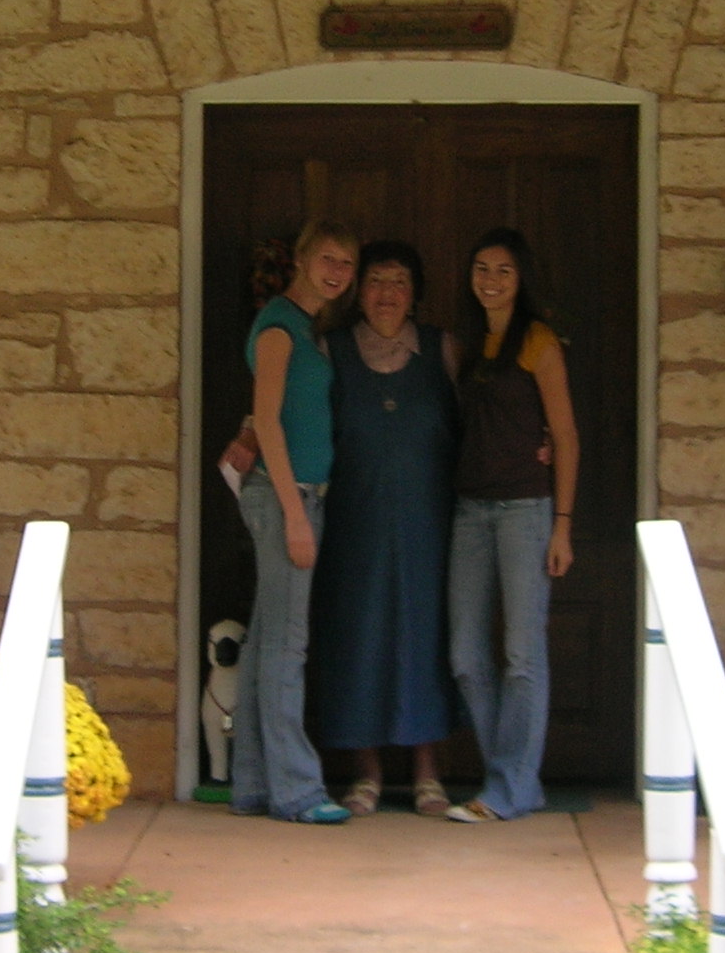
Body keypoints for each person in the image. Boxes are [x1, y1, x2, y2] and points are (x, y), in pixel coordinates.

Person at [312, 240, 456, 818]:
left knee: (428, 637)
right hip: (354, 520)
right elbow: (302, 418)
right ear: (357, 289)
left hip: (430, 522)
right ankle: (365, 772)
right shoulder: (332, 350)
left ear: (415, 291)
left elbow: (483, 420)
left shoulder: (443, 349)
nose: (387, 293)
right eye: (375, 280)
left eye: (399, 281)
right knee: (358, 637)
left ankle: (428, 771)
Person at [444, 227, 578, 824]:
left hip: (526, 511)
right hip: (470, 510)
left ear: (520, 278)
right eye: (480, 268)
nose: (490, 280)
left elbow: (566, 435)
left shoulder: (539, 341)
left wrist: (563, 524)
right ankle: (515, 782)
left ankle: (506, 787)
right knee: (467, 655)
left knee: (522, 655)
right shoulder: (465, 344)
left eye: (501, 270)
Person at [231, 220, 359, 825]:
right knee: (288, 646)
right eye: (329, 259)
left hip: (301, 496)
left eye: (348, 264)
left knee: (267, 644)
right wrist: (293, 514)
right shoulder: (280, 328)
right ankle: (298, 792)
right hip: (287, 496)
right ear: (304, 260)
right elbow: (268, 421)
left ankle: (255, 785)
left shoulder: (308, 327)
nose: (338, 272)